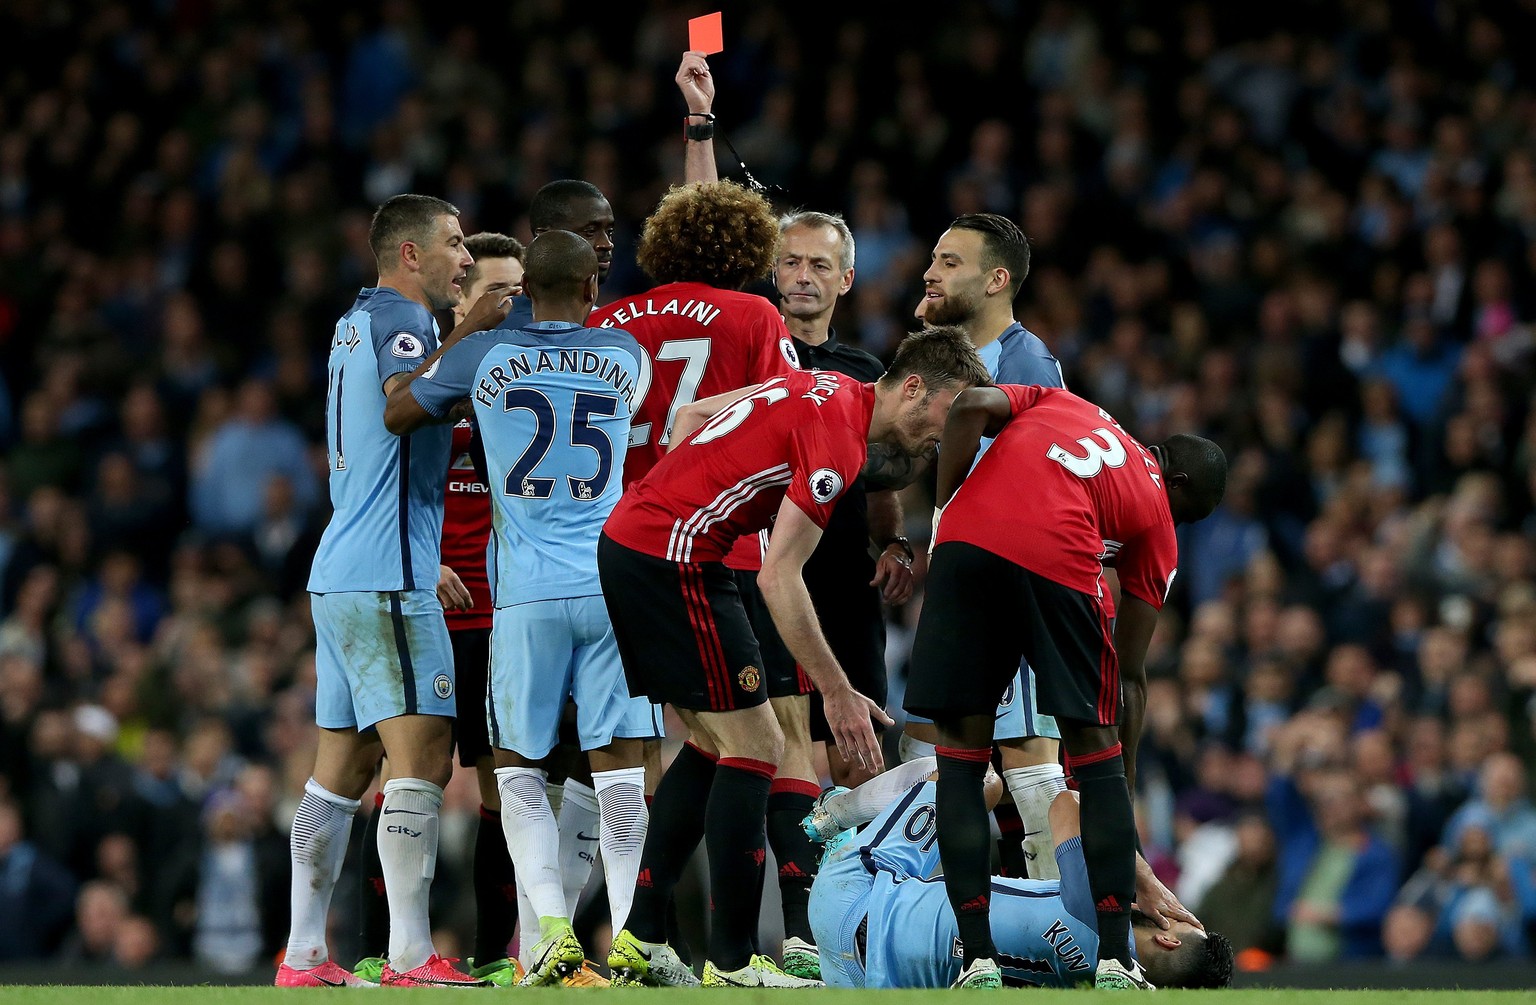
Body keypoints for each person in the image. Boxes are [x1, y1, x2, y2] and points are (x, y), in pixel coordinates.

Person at [598, 326, 991, 988]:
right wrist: (836, 690)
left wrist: (686, 490)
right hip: (674, 556)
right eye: (948, 415)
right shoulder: (839, 438)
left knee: (714, 741)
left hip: (663, 544)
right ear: (916, 388)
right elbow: (779, 576)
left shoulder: (828, 386)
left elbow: (693, 416)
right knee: (756, 745)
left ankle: (640, 935)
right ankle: (731, 960)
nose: (943, 437)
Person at [385, 230, 656, 985]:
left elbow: (401, 409)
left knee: (517, 768)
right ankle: (632, 932)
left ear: (524, 290)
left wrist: (469, 335)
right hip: (610, 583)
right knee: (619, 767)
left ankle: (550, 929)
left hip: (526, 593)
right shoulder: (626, 355)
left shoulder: (486, 356)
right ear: (593, 291)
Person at [903, 383, 1228, 989]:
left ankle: (976, 960)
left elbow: (970, 405)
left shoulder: (1064, 402)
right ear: (1177, 484)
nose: (1177, 523)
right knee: (1096, 756)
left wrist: (946, 507)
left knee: (961, 763)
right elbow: (1128, 671)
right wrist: (1117, 788)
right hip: (1058, 557)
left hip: (962, 547)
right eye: (1188, 515)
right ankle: (1115, 959)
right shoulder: (1157, 513)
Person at [277, 193, 510, 989]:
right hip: (385, 577)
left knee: (337, 770)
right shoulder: (404, 325)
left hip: (342, 571)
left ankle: (304, 952)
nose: (465, 260)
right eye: (452, 244)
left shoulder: (354, 321)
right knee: (424, 757)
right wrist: (473, 330)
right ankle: (411, 953)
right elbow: (402, 404)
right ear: (410, 255)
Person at [730, 209, 915, 980]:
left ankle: (862, 924)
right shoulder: (751, 354)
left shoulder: (864, 370)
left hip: (841, 580)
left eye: (817, 265)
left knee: (862, 755)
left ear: (845, 279)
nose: (801, 276)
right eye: (789, 263)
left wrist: (895, 540)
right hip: (766, 581)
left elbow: (879, 481)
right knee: (784, 752)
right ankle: (806, 932)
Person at [352, 230, 527, 987]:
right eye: (494, 291)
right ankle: (377, 946)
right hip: (420, 599)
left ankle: (495, 954)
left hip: (500, 614)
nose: (507, 305)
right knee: (399, 776)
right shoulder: (423, 366)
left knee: (502, 784)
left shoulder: (526, 375)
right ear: (462, 293)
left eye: (518, 292)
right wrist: (429, 565)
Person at [899, 212, 1070, 880]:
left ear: (997, 280)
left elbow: (1048, 489)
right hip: (959, 593)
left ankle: (1071, 935)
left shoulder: (1028, 364)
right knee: (926, 767)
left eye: (949, 263)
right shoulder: (958, 362)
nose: (930, 272)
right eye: (932, 259)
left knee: (1030, 765)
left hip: (1011, 589)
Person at [803, 759, 1232, 989]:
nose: (1172, 908)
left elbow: (1067, 804)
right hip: (865, 979)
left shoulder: (1100, 914)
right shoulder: (1095, 989)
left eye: (1179, 914)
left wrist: (1148, 881)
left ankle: (833, 818)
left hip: (850, 898)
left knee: (977, 777)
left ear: (1167, 937)